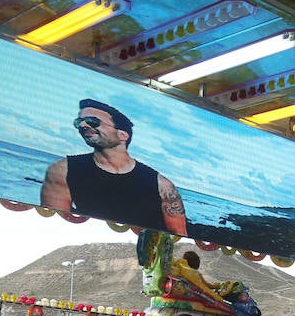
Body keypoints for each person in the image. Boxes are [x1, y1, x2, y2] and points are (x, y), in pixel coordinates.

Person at [40, 99, 187, 236]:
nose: (83, 125)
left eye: (93, 121)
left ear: (122, 135)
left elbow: (177, 236)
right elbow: (55, 223)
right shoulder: (62, 170)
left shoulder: (162, 185)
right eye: (79, 122)